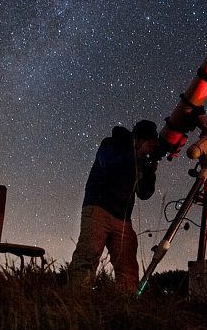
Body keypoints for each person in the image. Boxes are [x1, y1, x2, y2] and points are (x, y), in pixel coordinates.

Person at [68, 119, 160, 291]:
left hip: (123, 218)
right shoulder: (111, 144)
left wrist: (150, 171)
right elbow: (109, 164)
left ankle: (125, 306)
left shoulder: (141, 159)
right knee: (88, 256)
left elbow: (144, 193)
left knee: (128, 268)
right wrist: (137, 154)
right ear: (138, 139)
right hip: (98, 208)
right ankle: (75, 300)